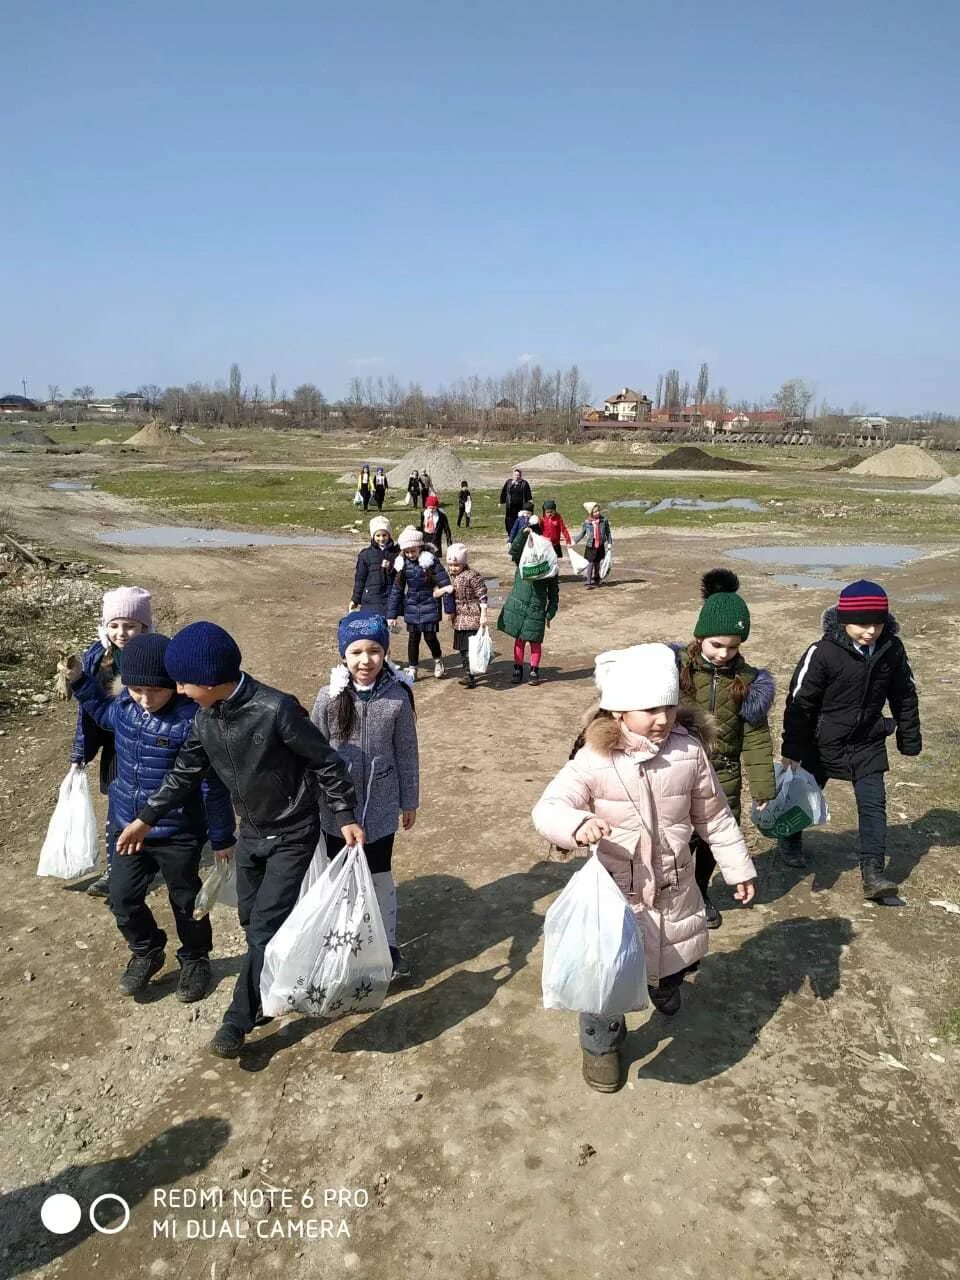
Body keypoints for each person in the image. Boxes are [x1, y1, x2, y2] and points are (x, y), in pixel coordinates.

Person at [115, 622, 362, 1059]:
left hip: (291, 833)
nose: (179, 690)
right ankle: (268, 982)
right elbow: (184, 773)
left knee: (263, 928)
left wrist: (342, 814)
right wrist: (146, 819)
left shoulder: (276, 709)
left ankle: (239, 1020)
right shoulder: (204, 718)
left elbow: (326, 762)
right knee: (252, 922)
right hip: (251, 832)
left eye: (184, 683)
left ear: (209, 681)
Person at [531, 643, 757, 1092]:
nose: (662, 719)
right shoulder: (594, 759)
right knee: (604, 984)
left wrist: (738, 866)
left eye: (669, 706)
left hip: (674, 887)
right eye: (649, 708)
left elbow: (712, 816)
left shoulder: (688, 752)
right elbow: (549, 807)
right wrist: (577, 824)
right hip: (615, 899)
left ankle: (666, 986)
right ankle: (601, 1049)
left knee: (673, 955)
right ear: (617, 711)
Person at [66, 634, 235, 1002]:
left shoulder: (192, 721)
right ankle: (147, 949)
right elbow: (99, 708)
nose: (144, 698)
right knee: (122, 897)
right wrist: (80, 680)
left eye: (154, 691)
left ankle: (195, 958)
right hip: (127, 825)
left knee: (186, 899)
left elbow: (212, 786)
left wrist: (222, 836)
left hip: (178, 831)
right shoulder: (125, 707)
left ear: (174, 685)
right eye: (136, 688)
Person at [780, 580, 921, 901]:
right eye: (861, 624)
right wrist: (793, 748)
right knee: (805, 795)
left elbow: (904, 694)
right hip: (822, 741)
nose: (870, 631)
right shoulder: (823, 652)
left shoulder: (892, 649)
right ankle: (789, 838)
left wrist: (908, 736)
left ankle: (873, 874)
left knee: (874, 806)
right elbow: (800, 702)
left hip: (867, 742)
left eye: (877, 623)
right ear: (844, 621)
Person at [310, 610, 419, 980]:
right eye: (356, 652)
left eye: (374, 650)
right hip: (334, 813)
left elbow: (407, 753)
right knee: (339, 876)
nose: (365, 660)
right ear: (343, 655)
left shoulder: (398, 698)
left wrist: (410, 800)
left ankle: (387, 944)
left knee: (379, 875)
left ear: (384, 652)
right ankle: (342, 941)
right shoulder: (328, 698)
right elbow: (311, 753)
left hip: (382, 807)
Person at [674, 570, 776, 928]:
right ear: (700, 636)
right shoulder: (677, 670)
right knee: (679, 839)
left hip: (724, 776)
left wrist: (763, 787)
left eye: (733, 647)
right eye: (716, 645)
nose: (724, 653)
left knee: (712, 841)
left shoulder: (748, 682)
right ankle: (680, 893)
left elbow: (757, 736)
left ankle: (701, 892)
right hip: (679, 771)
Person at [69, 586, 153, 898]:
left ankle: (149, 858)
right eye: (114, 625)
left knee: (149, 802)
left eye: (130, 625)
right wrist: (80, 753)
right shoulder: (95, 656)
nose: (122, 632)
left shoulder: (156, 654)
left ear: (145, 626)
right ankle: (115, 870)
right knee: (117, 804)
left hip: (147, 742)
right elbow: (88, 714)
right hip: (114, 745)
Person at [497, 517, 558, 686]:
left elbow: (554, 591)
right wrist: (524, 533)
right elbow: (515, 551)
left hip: (536, 607)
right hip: (520, 604)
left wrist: (550, 611)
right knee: (519, 639)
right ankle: (518, 668)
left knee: (535, 641)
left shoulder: (549, 564)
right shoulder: (522, 558)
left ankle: (534, 670)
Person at [386, 526, 451, 681]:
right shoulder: (402, 565)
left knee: (430, 637)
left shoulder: (430, 561)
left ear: (420, 547)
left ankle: (438, 660)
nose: (410, 555)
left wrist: (449, 609)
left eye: (413, 551)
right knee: (413, 639)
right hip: (412, 606)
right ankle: (413, 667)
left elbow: (445, 583)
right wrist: (391, 615)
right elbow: (396, 591)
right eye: (407, 552)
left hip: (430, 604)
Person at [440, 543, 489, 689]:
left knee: (471, 647)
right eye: (450, 565)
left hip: (472, 614)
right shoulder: (450, 577)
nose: (453, 568)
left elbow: (483, 594)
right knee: (462, 648)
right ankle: (467, 672)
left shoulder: (472, 576)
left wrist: (484, 614)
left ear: (463, 562)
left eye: (456, 564)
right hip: (459, 618)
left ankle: (470, 675)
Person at [350, 516, 397, 616]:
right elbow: (360, 579)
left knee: (387, 627)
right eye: (378, 535)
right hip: (371, 598)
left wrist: (391, 566)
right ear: (373, 536)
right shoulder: (365, 555)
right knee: (371, 626)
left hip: (390, 598)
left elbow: (402, 574)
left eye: (384, 535)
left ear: (389, 535)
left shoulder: (396, 553)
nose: (381, 538)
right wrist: (355, 599)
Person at [573, 501, 612, 590]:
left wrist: (609, 543)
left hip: (600, 545)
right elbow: (582, 534)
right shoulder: (587, 522)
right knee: (590, 563)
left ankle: (597, 578)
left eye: (598, 511)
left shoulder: (604, 521)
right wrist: (574, 541)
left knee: (597, 563)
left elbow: (608, 533)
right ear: (590, 513)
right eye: (595, 512)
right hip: (591, 545)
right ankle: (588, 581)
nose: (597, 513)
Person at [498, 467, 533, 538]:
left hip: (521, 506)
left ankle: (519, 534)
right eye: (515, 475)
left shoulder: (524, 483)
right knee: (509, 521)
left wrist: (530, 502)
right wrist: (501, 502)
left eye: (518, 475)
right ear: (513, 475)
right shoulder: (509, 483)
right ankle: (510, 534)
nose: (517, 476)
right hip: (510, 507)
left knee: (520, 520)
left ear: (520, 476)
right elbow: (504, 492)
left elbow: (528, 493)